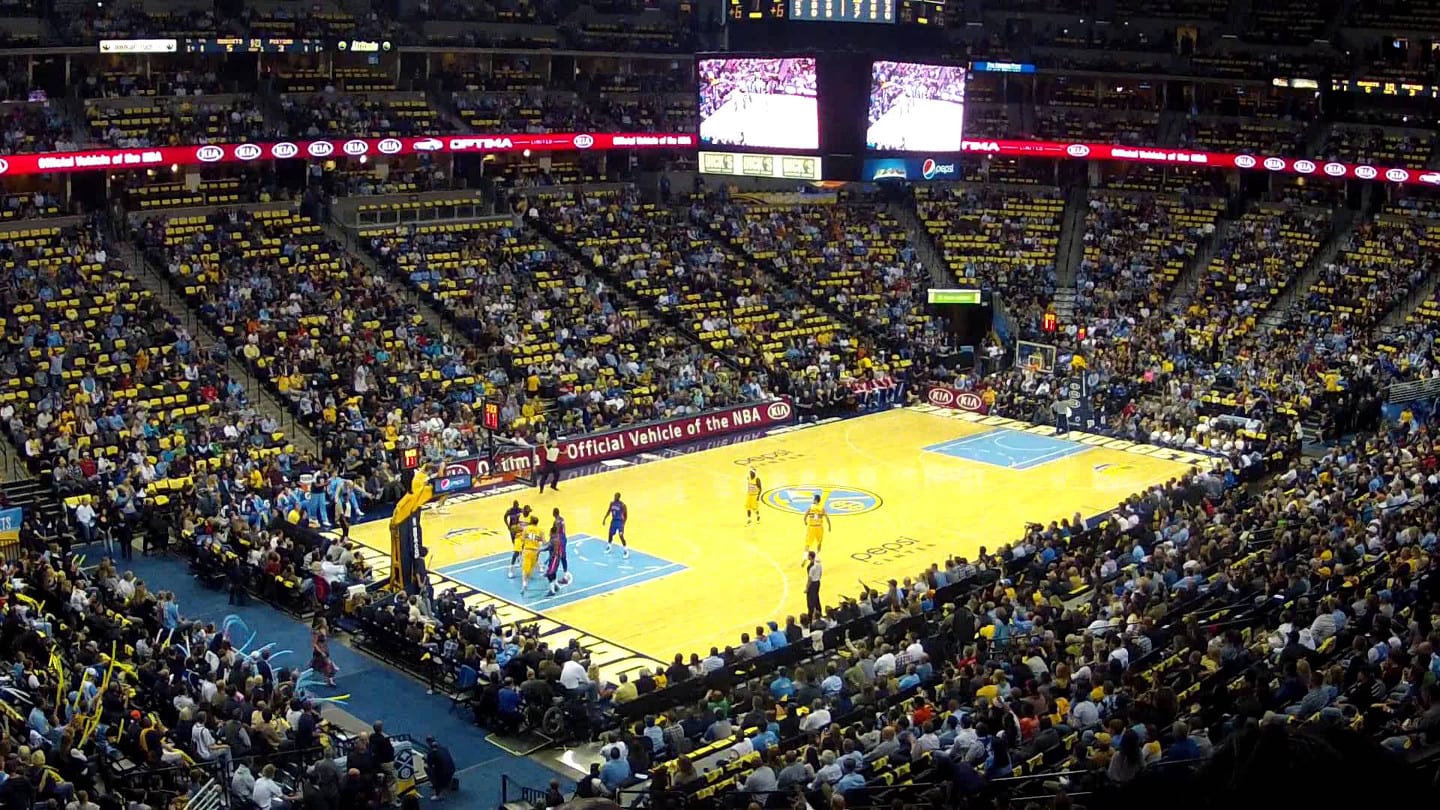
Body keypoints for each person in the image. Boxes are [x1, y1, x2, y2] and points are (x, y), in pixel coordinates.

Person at [425, 736, 456, 801]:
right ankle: (447, 783)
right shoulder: (444, 748)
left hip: (444, 772)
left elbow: (429, 765)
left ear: (428, 743)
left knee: (428, 770)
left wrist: (426, 760)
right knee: (440, 768)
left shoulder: (431, 753)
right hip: (452, 769)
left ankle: (438, 794)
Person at [545, 511, 569, 596]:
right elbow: (564, 529)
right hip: (564, 538)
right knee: (563, 558)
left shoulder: (556, 522)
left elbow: (556, 530)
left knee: (558, 557)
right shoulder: (562, 519)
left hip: (559, 539)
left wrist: (552, 540)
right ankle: (561, 579)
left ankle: (562, 578)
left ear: (553, 513)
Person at [802, 494, 831, 562]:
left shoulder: (811, 507)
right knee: (819, 542)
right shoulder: (822, 508)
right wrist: (829, 526)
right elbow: (827, 518)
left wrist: (805, 521)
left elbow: (805, 515)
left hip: (811, 527)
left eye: (813, 499)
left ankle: (805, 557)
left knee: (807, 544)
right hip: (819, 528)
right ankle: (817, 556)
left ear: (815, 500)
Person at [519, 516, 544, 595]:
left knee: (525, 569)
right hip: (535, 552)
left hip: (527, 550)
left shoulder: (526, 528)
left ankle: (524, 584)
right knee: (530, 569)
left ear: (530, 521)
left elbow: (522, 539)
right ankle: (526, 582)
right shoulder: (540, 530)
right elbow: (543, 542)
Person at [504, 500, 525, 578]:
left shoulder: (520, 510)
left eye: (517, 505)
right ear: (513, 505)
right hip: (513, 529)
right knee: (515, 545)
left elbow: (525, 517)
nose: (516, 506)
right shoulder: (510, 511)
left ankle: (520, 557)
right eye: (515, 505)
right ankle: (512, 568)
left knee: (522, 546)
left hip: (519, 530)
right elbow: (505, 517)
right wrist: (507, 525)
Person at [605, 492, 628, 558]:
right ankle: (609, 546)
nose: (615, 497)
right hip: (613, 521)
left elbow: (626, 515)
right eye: (614, 496)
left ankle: (625, 550)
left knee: (621, 536)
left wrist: (623, 523)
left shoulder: (622, 505)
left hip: (620, 522)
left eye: (616, 496)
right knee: (610, 534)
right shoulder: (612, 503)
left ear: (619, 497)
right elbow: (609, 511)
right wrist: (605, 518)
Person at [804, 551, 823, 619]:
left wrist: (807, 588)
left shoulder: (811, 567)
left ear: (810, 557)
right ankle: (819, 612)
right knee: (816, 598)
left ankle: (810, 615)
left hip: (812, 584)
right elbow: (821, 573)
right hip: (817, 582)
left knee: (810, 601)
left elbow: (810, 579)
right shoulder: (819, 564)